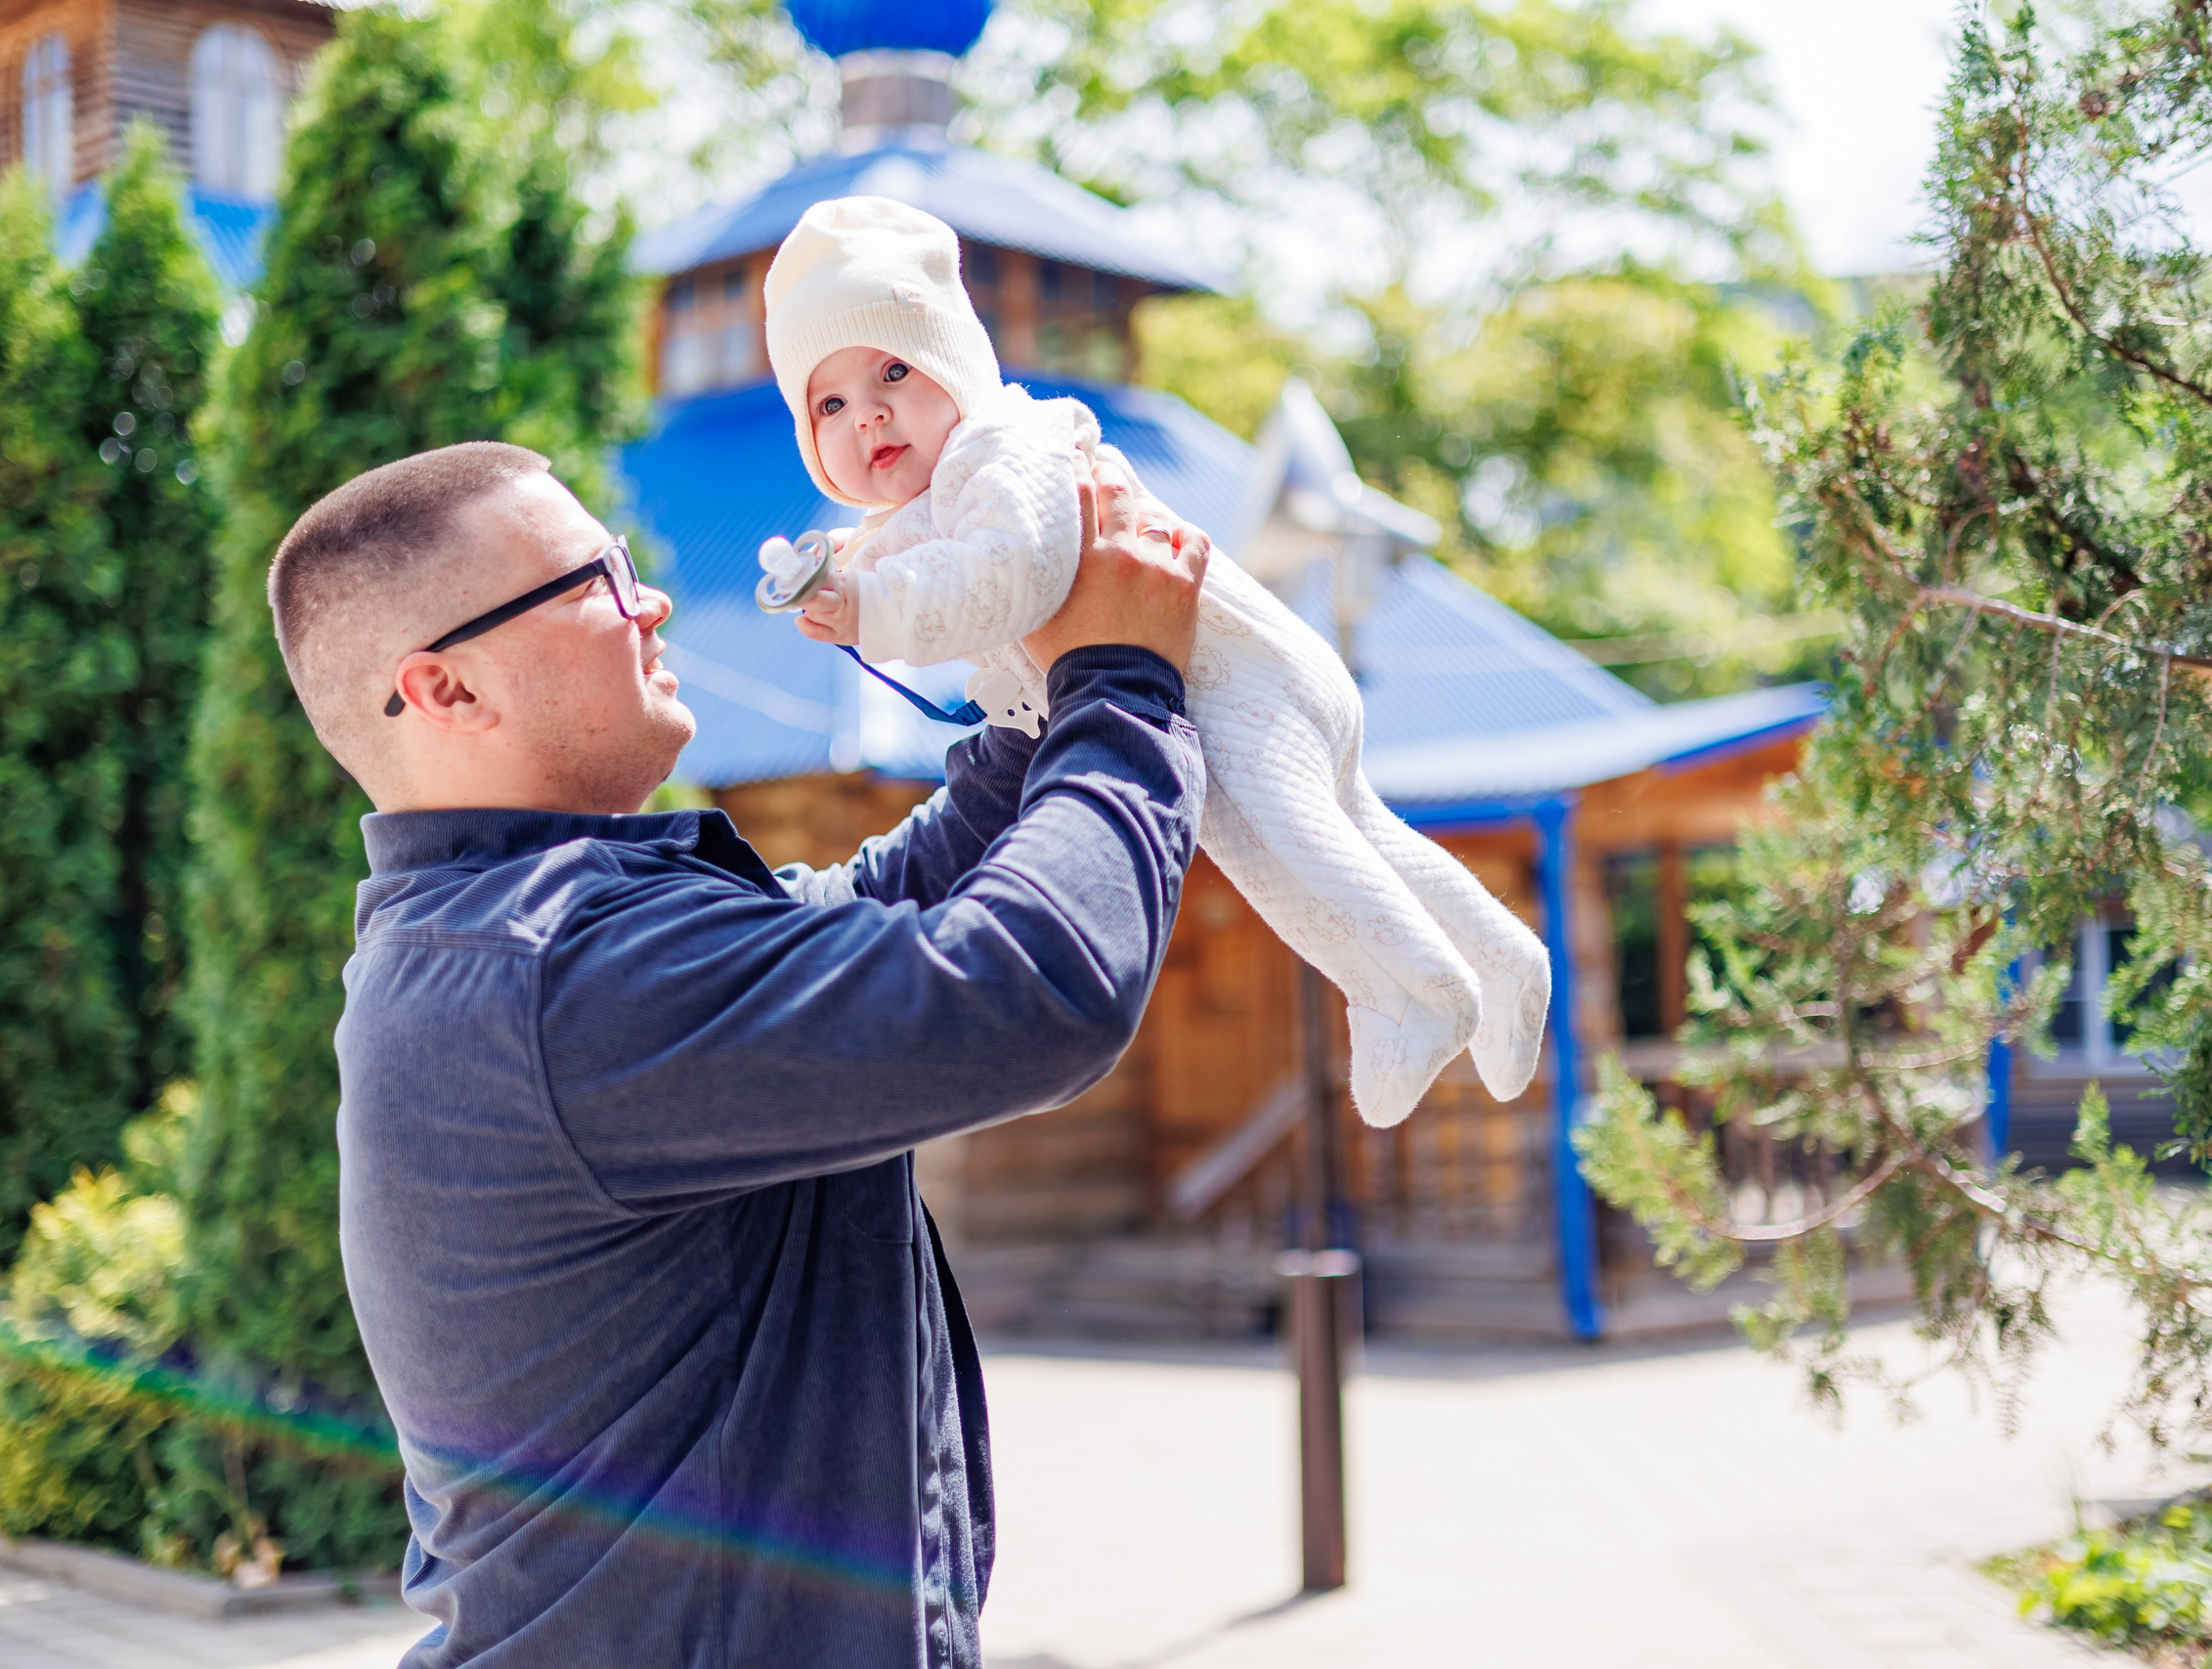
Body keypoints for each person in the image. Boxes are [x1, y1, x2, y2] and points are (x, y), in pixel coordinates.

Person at [272, 436, 1208, 1666]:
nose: (648, 596)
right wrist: (1125, 683)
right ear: (446, 689)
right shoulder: (553, 972)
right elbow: (1027, 990)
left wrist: (1030, 704)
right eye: (595, 580)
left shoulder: (521, 935)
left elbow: (870, 911)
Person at [759, 195, 1550, 1127]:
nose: (871, 414)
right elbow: (906, 556)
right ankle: (1502, 958)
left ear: (959, 366)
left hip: (1230, 684)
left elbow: (1011, 570)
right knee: (1356, 829)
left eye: (895, 368)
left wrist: (875, 606)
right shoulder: (928, 503)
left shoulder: (1000, 452)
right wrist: (835, 584)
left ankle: (1409, 991)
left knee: (1282, 850)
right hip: (1247, 676)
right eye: (831, 403)